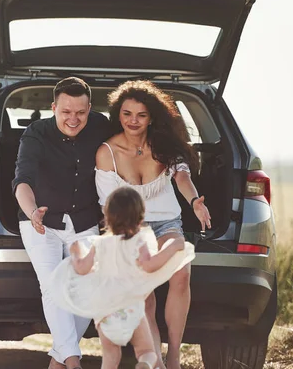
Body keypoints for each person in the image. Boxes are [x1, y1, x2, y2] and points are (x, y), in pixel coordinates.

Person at [95, 80, 211, 369]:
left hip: (167, 223)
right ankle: (154, 359)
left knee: (181, 274)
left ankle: (174, 354)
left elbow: (182, 177)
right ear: (118, 115)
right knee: (144, 295)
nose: (133, 121)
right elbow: (108, 205)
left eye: (141, 115)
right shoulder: (107, 153)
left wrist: (195, 201)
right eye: (127, 113)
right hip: (132, 229)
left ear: (151, 117)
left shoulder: (164, 146)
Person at [13, 76, 111, 369]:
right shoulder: (36, 134)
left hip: (83, 220)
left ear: (90, 108)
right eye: (66, 112)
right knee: (53, 287)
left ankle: (58, 360)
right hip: (40, 223)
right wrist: (32, 212)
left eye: (80, 112)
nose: (73, 119)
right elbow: (22, 180)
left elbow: (129, 148)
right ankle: (72, 362)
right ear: (53, 107)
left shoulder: (101, 126)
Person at [48, 187, 195, 369]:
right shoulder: (139, 242)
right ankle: (145, 364)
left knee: (111, 358)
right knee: (147, 351)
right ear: (141, 219)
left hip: (106, 314)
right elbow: (150, 265)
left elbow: (82, 268)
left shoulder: (99, 244)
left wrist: (76, 252)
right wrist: (173, 247)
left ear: (106, 217)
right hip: (131, 309)